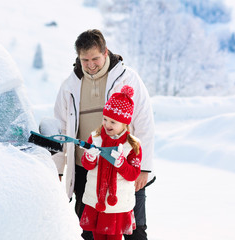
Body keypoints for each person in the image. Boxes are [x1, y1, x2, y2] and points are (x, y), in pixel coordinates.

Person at [52, 29, 155, 240]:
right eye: (85, 60)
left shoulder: (128, 79)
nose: (90, 64)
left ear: (105, 52)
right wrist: (58, 168)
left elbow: (144, 124)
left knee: (135, 230)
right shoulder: (69, 87)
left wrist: (144, 167)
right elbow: (62, 128)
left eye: (95, 58)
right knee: (90, 231)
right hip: (86, 168)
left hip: (125, 168)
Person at [80, 85, 141, 240]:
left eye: (113, 122)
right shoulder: (95, 137)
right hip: (96, 202)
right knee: (97, 237)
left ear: (124, 123)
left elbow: (133, 174)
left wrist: (121, 163)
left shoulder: (132, 145)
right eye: (105, 119)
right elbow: (87, 165)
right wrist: (90, 157)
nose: (107, 125)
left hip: (117, 206)